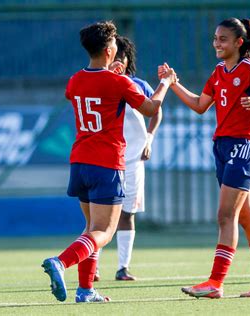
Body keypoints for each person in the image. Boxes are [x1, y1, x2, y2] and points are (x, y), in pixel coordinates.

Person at [41, 21, 176, 303]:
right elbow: (151, 107)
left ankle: (86, 290)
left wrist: (108, 76)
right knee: (105, 231)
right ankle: (61, 262)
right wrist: (165, 83)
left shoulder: (75, 80)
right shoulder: (119, 81)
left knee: (91, 228)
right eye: (114, 42)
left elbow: (87, 93)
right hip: (107, 163)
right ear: (108, 49)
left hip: (79, 161)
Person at [159, 18, 250, 298]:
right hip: (223, 147)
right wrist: (173, 84)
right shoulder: (218, 72)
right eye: (215, 38)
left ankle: (215, 283)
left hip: (246, 146)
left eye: (223, 39)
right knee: (246, 217)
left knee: (225, 215)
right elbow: (200, 105)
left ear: (239, 42)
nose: (217, 43)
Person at [94, 36, 162, 281]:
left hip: (132, 161)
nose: (116, 62)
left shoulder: (138, 85)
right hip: (106, 159)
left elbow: (156, 109)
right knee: (98, 216)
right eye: (113, 57)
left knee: (127, 214)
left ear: (127, 60)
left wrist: (149, 139)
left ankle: (123, 267)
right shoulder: (99, 84)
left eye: (121, 58)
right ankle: (94, 267)